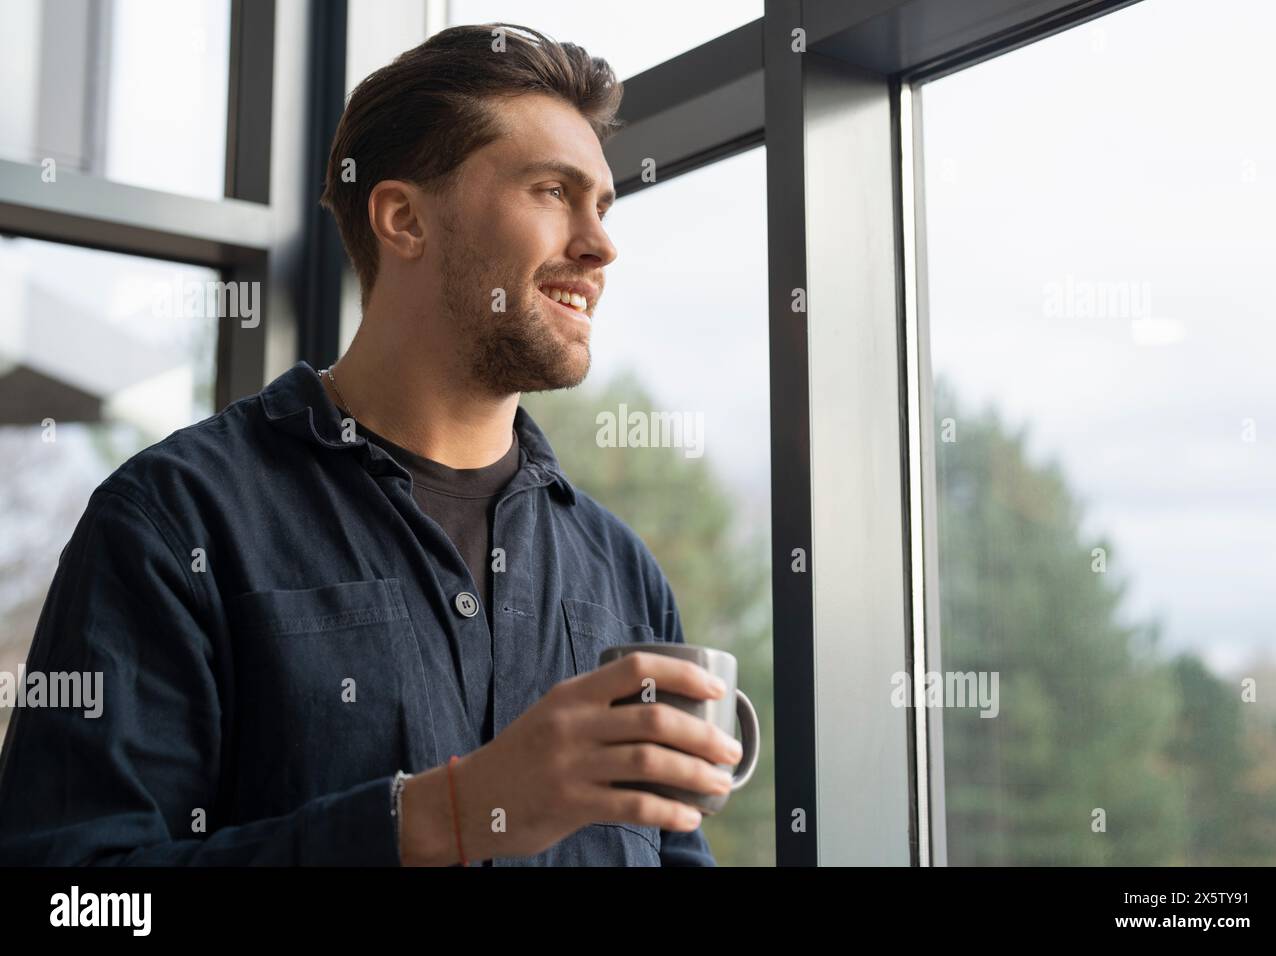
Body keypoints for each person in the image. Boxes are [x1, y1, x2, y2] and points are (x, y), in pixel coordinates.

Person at [0, 23, 739, 866]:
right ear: (403, 219)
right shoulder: (175, 522)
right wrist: (443, 816)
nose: (602, 243)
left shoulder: (623, 575)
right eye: (551, 191)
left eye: (601, 205)